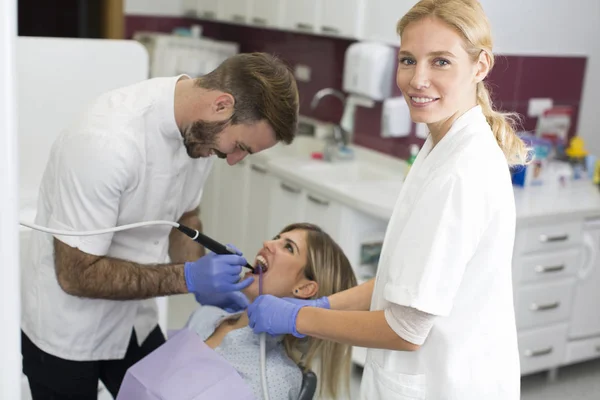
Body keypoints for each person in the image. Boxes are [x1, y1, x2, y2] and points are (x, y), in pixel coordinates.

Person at [247, 1, 530, 399]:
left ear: (480, 66)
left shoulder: (460, 171)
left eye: (441, 62)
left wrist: (300, 318)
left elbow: (406, 329)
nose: (418, 79)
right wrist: (327, 305)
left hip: (447, 384)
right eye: (408, 60)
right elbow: (403, 283)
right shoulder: (443, 143)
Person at [21, 52, 299, 399]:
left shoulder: (201, 135)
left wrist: (198, 265)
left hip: (134, 318)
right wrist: (188, 277)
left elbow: (186, 218)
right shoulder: (105, 143)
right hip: (68, 330)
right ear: (221, 105)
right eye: (240, 147)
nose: (233, 160)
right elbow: (75, 274)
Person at [118, 223, 358, 400]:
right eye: (276, 237)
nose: (268, 244)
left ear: (304, 288)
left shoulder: (276, 379)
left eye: (288, 247)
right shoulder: (206, 318)